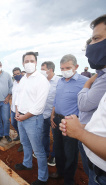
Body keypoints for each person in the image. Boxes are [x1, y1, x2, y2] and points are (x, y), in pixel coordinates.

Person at [60, 14, 106, 185]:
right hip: (82, 132)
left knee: (72, 157)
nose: (91, 44)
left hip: (100, 168)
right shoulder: (99, 77)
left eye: (96, 38)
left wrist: (80, 131)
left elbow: (83, 103)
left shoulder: (85, 80)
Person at [50, 54, 88, 185]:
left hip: (71, 122)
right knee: (58, 149)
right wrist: (52, 114)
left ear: (76, 67)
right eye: (62, 68)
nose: (65, 70)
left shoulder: (84, 82)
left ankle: (68, 180)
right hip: (57, 119)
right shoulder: (60, 81)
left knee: (70, 153)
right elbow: (56, 98)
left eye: (68, 67)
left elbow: (88, 103)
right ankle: (60, 172)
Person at [14, 52, 50, 185]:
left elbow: (39, 106)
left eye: (31, 60)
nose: (29, 63)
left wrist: (24, 116)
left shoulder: (41, 80)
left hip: (33, 119)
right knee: (25, 143)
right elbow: (18, 97)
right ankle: (27, 163)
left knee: (38, 149)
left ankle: (43, 178)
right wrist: (17, 112)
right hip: (21, 117)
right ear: (23, 63)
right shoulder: (23, 79)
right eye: (26, 61)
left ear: (36, 63)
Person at [40, 61, 60, 167]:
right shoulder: (42, 81)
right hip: (43, 113)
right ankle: (45, 152)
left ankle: (54, 156)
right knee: (44, 134)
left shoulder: (59, 81)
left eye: (43, 69)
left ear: (50, 70)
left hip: (54, 115)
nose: (41, 71)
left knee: (56, 137)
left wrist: (54, 113)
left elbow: (59, 99)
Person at [11, 67, 23, 152]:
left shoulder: (24, 83)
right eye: (15, 74)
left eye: (18, 74)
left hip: (21, 110)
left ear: (21, 73)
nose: (16, 75)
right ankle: (19, 135)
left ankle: (23, 143)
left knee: (21, 127)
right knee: (13, 123)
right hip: (13, 109)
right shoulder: (14, 83)